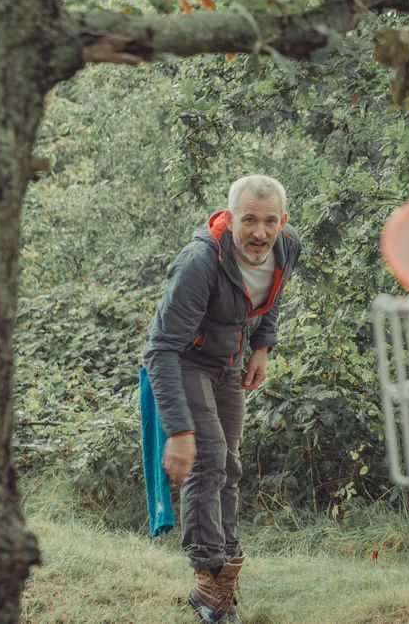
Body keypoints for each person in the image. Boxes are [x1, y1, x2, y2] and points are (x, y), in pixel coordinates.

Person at [142, 175, 301, 624]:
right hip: (186, 361)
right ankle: (208, 580)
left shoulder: (286, 246)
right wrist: (178, 431)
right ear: (230, 218)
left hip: (229, 363)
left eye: (270, 221)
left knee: (229, 465)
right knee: (207, 458)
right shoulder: (200, 263)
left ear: (282, 222)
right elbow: (160, 349)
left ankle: (225, 575)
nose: (260, 233)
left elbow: (271, 299)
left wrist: (262, 347)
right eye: (249, 220)